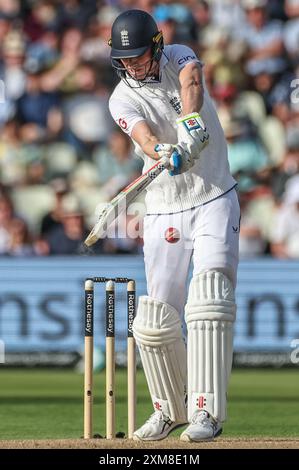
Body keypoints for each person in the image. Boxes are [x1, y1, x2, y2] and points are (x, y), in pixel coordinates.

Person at [108, 9, 240, 442]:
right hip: (164, 207)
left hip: (214, 195)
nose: (132, 64)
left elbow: (192, 85)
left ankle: (206, 413)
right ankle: (169, 409)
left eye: (139, 55)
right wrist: (163, 149)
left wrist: (191, 127)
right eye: (124, 58)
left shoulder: (180, 55)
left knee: (208, 300)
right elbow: (142, 136)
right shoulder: (120, 98)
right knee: (155, 318)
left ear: (158, 45)